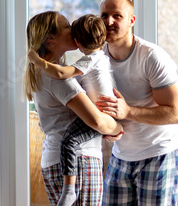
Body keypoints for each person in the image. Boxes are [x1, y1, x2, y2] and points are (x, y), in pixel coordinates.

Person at [23, 11, 123, 206]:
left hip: (58, 159)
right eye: (67, 26)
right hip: (79, 160)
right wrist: (117, 128)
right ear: (51, 39)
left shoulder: (42, 73)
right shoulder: (58, 79)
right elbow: (96, 121)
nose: (73, 29)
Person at [96, 0, 178, 206]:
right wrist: (105, 128)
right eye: (104, 16)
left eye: (117, 16)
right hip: (121, 156)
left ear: (131, 21)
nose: (109, 22)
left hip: (158, 155)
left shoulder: (151, 56)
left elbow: (176, 113)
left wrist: (127, 112)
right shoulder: (97, 58)